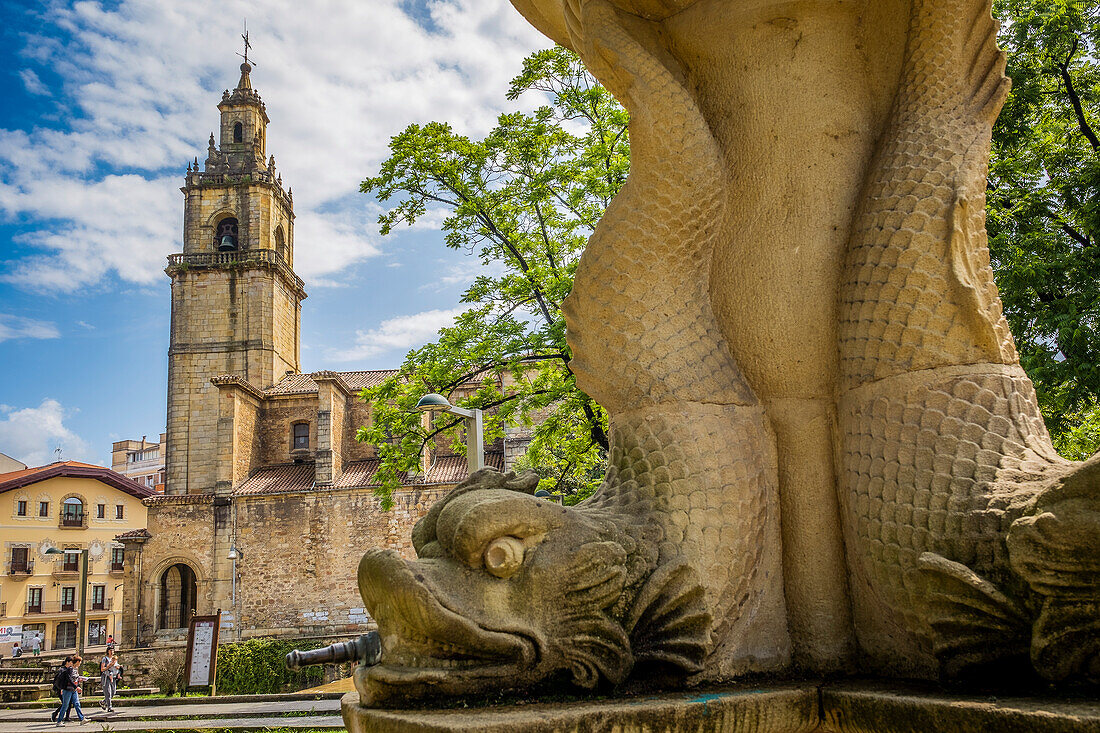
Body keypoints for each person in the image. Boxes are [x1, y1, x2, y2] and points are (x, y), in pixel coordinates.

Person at [54, 654, 87, 726]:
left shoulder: (75, 669)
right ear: (77, 662)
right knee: (65, 705)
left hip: (73, 690)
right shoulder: (70, 669)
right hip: (67, 689)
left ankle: (82, 719)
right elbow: (69, 679)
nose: (80, 663)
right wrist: (76, 687)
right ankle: (59, 721)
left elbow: (74, 679)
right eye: (80, 662)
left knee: (77, 704)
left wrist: (78, 682)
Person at [99, 646, 120, 713]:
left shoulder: (114, 659)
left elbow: (116, 667)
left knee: (113, 692)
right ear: (107, 651)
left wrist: (118, 668)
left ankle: (103, 702)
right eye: (110, 650)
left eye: (113, 650)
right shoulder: (105, 659)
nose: (112, 652)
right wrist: (109, 666)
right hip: (106, 676)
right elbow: (102, 669)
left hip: (113, 676)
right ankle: (109, 707)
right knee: (108, 692)